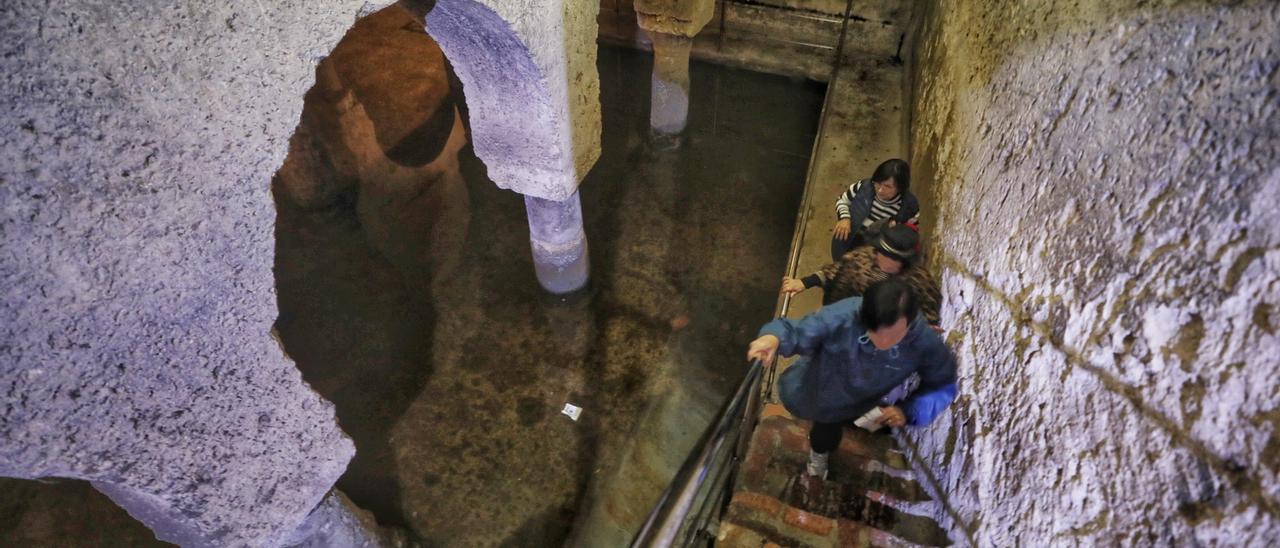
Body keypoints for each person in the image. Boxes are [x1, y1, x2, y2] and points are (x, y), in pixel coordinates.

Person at [746, 279, 957, 479]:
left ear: (909, 325)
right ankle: (819, 458)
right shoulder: (845, 315)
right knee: (825, 432)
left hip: (865, 400)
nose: (883, 343)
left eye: (893, 335)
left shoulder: (923, 343)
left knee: (871, 423)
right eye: (876, 332)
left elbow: (943, 383)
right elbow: (801, 330)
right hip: (826, 390)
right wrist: (773, 338)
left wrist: (908, 410)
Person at [783, 225, 942, 325]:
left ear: (905, 261)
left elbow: (927, 316)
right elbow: (835, 271)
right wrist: (803, 283)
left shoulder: (918, 284)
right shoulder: (862, 259)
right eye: (881, 253)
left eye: (891, 258)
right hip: (841, 323)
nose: (882, 259)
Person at [831, 159, 919, 262]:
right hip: (849, 237)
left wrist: (896, 229)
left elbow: (911, 233)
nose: (880, 190)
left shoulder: (909, 205)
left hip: (876, 251)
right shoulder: (863, 187)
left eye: (888, 186)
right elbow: (842, 200)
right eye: (878, 183)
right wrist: (844, 218)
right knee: (839, 265)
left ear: (900, 188)